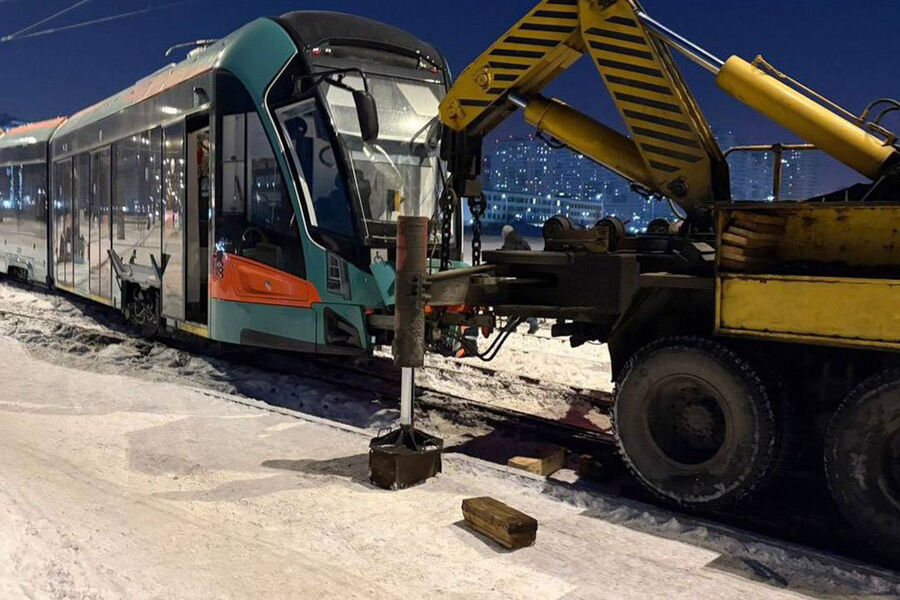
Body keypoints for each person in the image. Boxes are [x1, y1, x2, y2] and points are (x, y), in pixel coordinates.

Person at [500, 225, 540, 334]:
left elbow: (504, 264)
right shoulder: (524, 242)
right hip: (528, 276)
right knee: (527, 301)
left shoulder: (507, 245)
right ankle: (533, 323)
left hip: (515, 278)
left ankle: (511, 325)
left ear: (505, 234)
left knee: (511, 299)